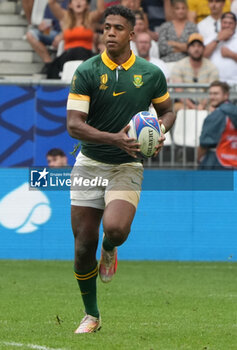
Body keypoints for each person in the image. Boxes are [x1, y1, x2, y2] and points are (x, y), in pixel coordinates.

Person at [66, 5, 175, 333]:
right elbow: (74, 125)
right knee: (83, 245)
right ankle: (91, 315)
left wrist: (159, 132)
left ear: (132, 33)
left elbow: (168, 111)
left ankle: (110, 249)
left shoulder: (151, 73)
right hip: (89, 165)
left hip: (127, 165)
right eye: (106, 27)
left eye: (117, 28)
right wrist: (115, 138)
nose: (110, 33)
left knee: (114, 229)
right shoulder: (86, 71)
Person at [46, 0, 105, 79]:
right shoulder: (65, 17)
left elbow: (101, 10)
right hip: (68, 54)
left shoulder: (90, 18)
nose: (78, 2)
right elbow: (51, 3)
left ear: (87, 5)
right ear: (70, 4)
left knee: (83, 53)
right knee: (53, 66)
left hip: (86, 55)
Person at [171, 33, 219, 110]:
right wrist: (193, 107)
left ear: (203, 48)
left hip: (206, 103)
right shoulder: (179, 65)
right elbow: (179, 91)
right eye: (193, 46)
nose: (196, 49)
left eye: (199, 46)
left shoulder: (212, 67)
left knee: (215, 111)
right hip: (184, 103)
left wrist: (202, 106)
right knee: (179, 108)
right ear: (188, 48)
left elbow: (212, 91)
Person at [198, 81, 237, 169]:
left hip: (217, 162)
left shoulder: (216, 116)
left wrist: (199, 159)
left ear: (226, 95)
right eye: (210, 94)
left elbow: (204, 144)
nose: (212, 97)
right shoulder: (234, 110)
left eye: (216, 94)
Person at [26, 2, 69, 73]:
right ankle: (49, 63)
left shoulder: (71, 3)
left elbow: (75, 24)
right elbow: (48, 25)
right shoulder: (50, 4)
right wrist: (42, 27)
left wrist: (62, 35)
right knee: (31, 34)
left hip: (69, 32)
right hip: (54, 33)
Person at [204, 12, 237, 85]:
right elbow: (202, 56)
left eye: (230, 23)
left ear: (235, 25)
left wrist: (231, 55)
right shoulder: (210, 39)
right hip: (214, 83)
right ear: (220, 23)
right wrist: (218, 39)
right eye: (225, 22)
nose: (227, 26)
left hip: (234, 83)